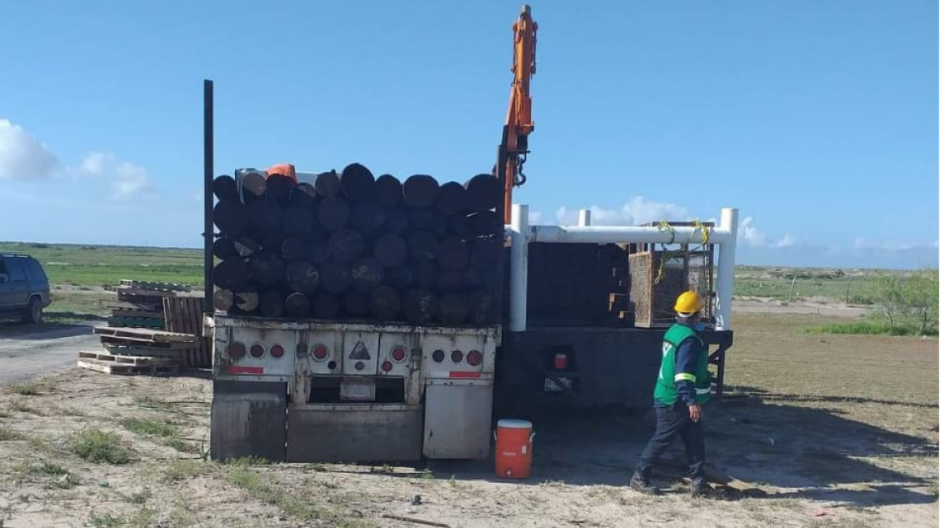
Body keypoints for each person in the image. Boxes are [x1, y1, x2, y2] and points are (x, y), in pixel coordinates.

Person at [630, 290, 713, 497]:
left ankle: (699, 482)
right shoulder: (690, 340)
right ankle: (639, 476)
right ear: (696, 314)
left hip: (674, 396)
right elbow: (683, 375)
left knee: (695, 439)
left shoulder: (673, 331)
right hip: (675, 400)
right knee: (662, 439)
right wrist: (691, 402)